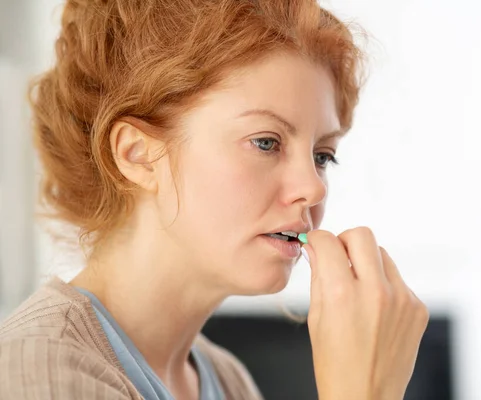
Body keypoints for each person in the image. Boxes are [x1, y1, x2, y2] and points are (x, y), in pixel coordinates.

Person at [0, 0, 429, 399]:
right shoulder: (39, 370)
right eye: (266, 142)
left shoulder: (228, 380)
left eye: (322, 156)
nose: (314, 188)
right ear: (138, 156)